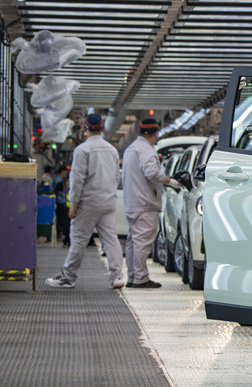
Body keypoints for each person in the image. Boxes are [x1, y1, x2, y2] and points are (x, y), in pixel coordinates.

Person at [45, 114, 125, 289]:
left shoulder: (82, 150)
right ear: (102, 128)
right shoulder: (112, 150)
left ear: (85, 129)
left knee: (79, 240)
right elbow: (115, 178)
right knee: (111, 240)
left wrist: (73, 203)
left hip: (88, 202)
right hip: (108, 202)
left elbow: (77, 179)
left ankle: (69, 277)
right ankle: (117, 276)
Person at [122, 117, 179, 288]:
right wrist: (170, 180)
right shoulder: (146, 150)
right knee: (142, 241)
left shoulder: (131, 149)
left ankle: (133, 276)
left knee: (133, 240)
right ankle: (141, 278)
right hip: (145, 202)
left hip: (132, 201)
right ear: (155, 133)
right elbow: (152, 172)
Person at [52, 164, 71, 246]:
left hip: (60, 203)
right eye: (66, 172)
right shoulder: (59, 181)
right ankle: (67, 238)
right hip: (60, 204)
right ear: (62, 171)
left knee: (64, 222)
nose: (66, 174)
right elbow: (56, 192)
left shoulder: (57, 179)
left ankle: (66, 238)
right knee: (65, 222)